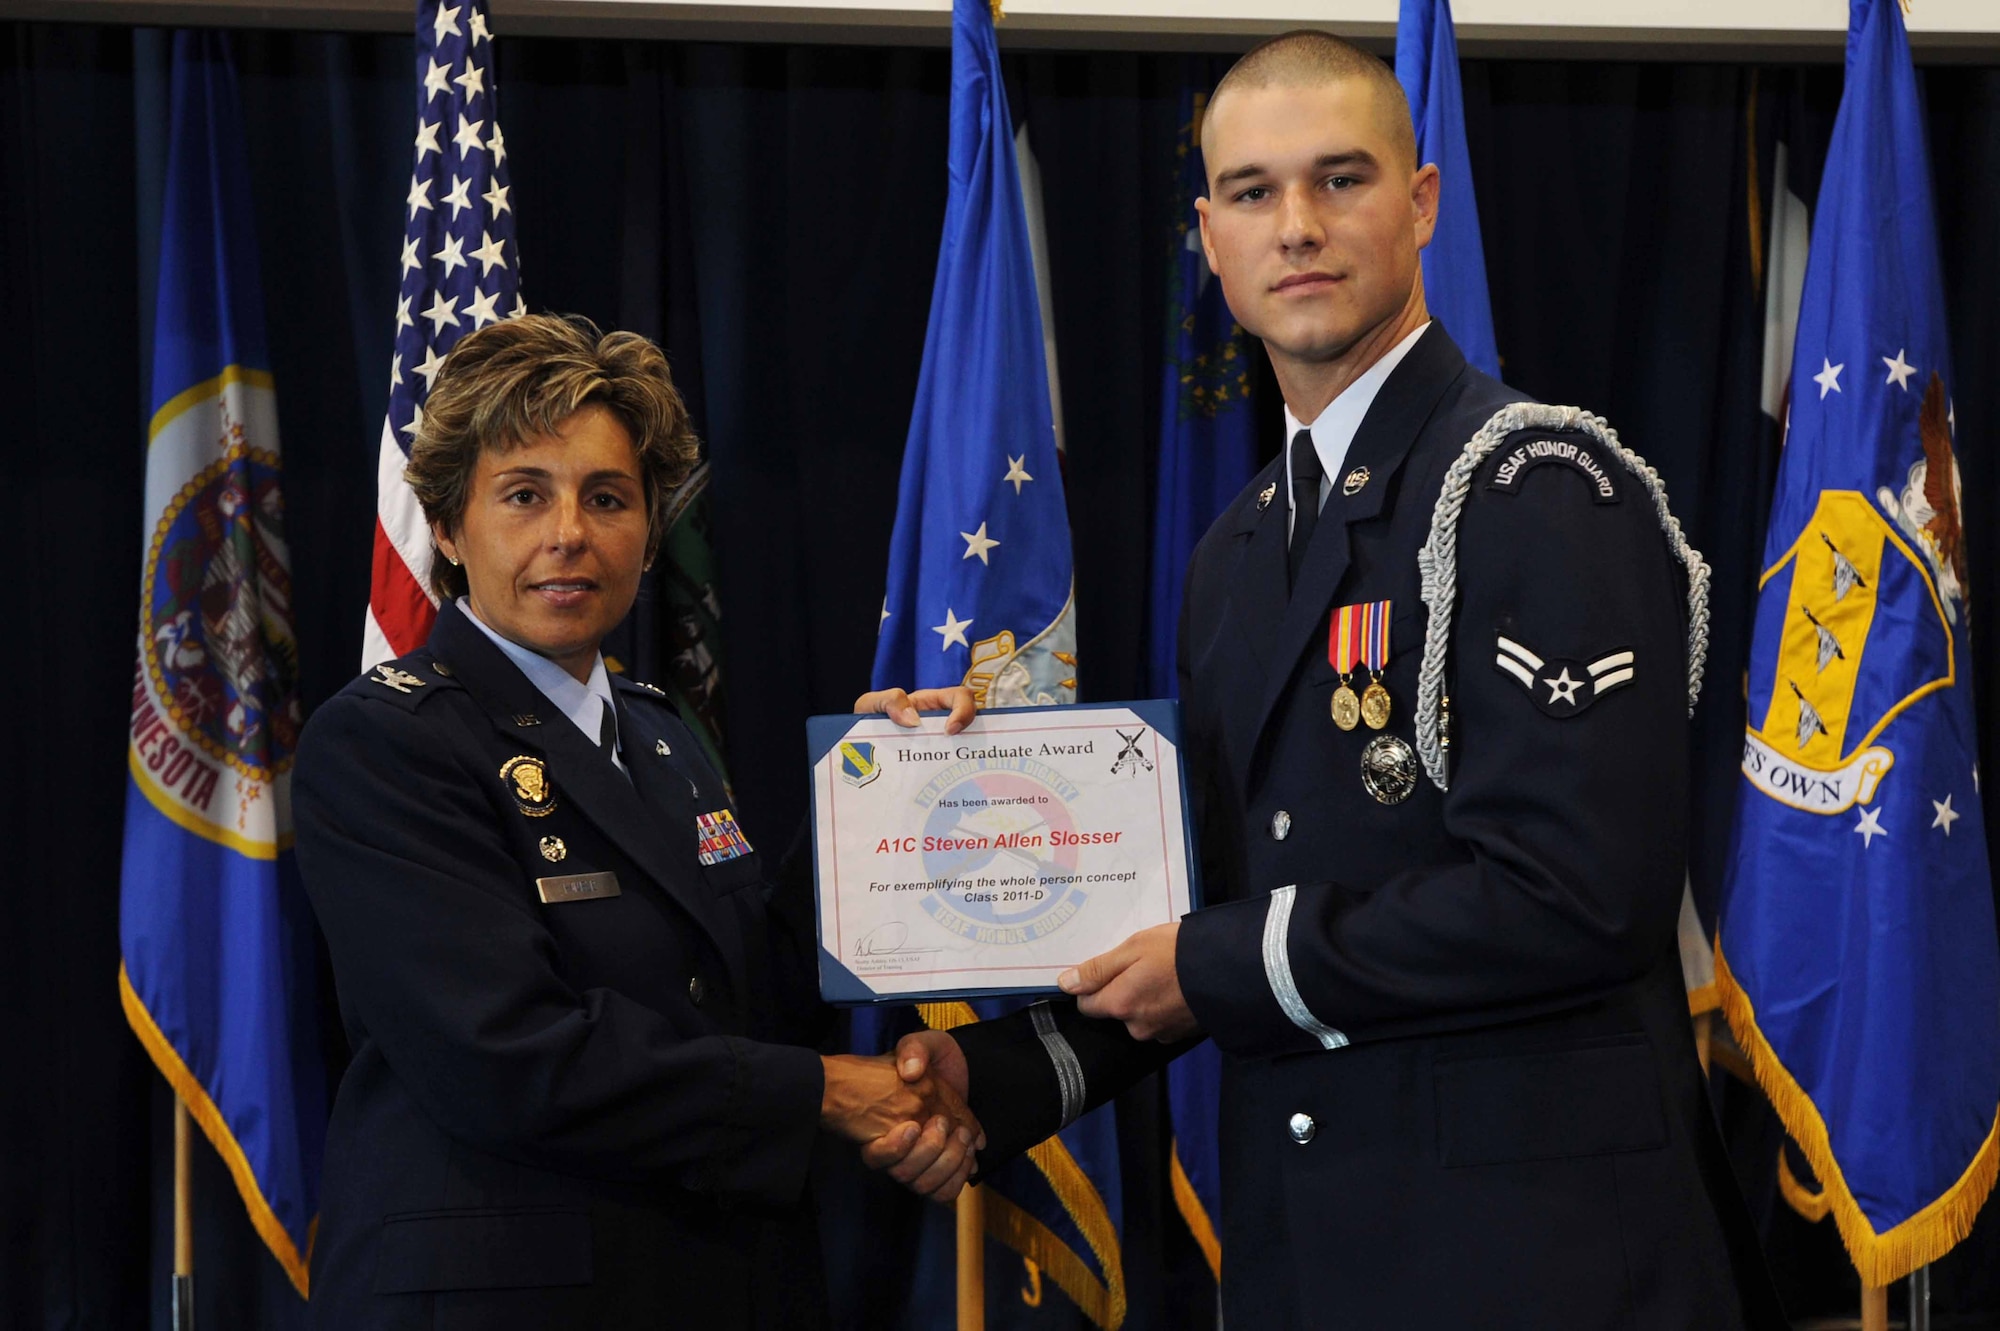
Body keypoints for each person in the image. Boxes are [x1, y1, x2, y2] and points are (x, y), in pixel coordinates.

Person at [875, 31, 1788, 1329]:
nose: (1296, 225)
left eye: (1340, 179)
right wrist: (990, 1036)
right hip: (1317, 1259)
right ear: (1209, 236)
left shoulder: (1536, 487)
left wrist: (1225, 952)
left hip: (1541, 1270)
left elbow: (1579, 893)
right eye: (1253, 192)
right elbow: (1201, 909)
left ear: (1420, 202)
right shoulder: (1238, 550)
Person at [293, 314, 979, 1331]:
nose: (568, 530)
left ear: (649, 531)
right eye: (523, 494)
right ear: (446, 526)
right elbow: (508, 1054)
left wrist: (883, 793)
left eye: (606, 497)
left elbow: (750, 987)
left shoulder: (660, 730)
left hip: (714, 1278)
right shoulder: (384, 741)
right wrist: (827, 1094)